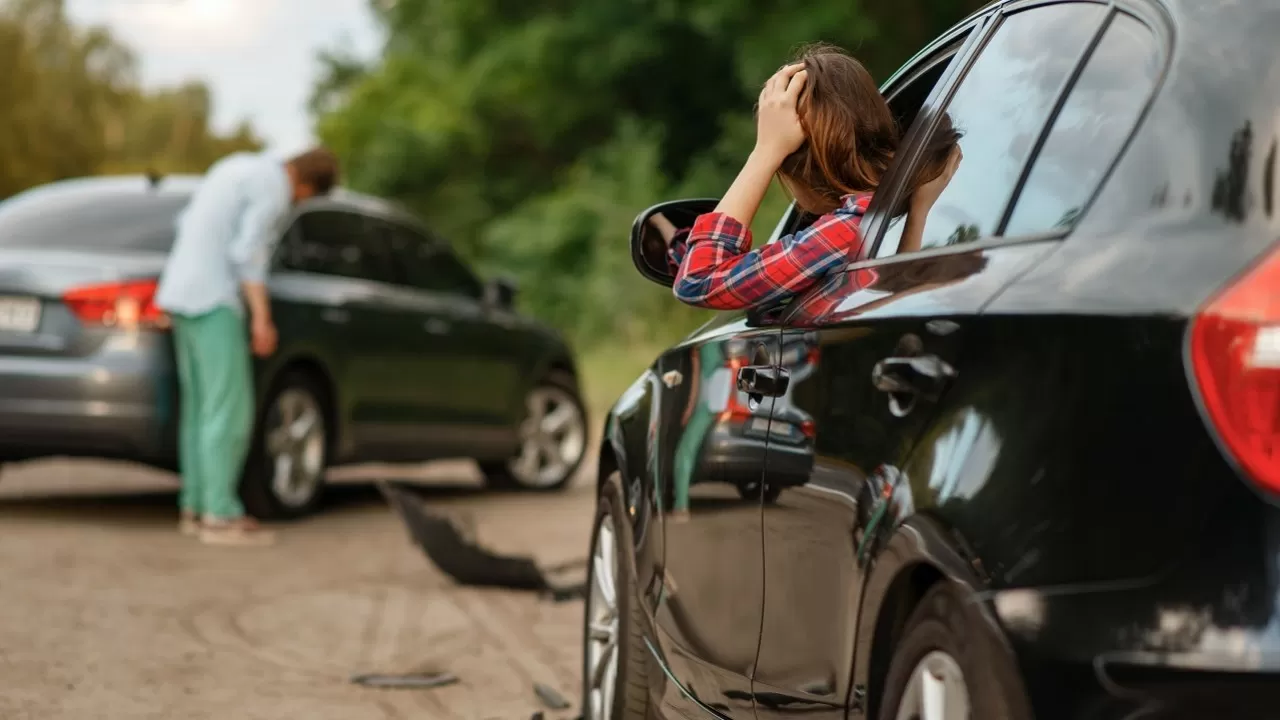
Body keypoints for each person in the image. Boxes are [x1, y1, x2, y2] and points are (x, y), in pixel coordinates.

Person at [665, 44, 962, 310]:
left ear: (797, 170)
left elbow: (698, 280)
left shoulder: (847, 229)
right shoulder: (890, 213)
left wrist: (765, 153)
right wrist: (919, 213)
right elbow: (896, 298)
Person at [155, 148, 339, 546]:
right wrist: (261, 318)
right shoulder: (272, 188)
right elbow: (248, 254)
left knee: (201, 410)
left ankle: (196, 506)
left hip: (179, 292)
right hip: (214, 299)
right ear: (305, 185)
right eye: (305, 197)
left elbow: (186, 222)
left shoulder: (234, 166)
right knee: (229, 410)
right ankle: (220, 515)